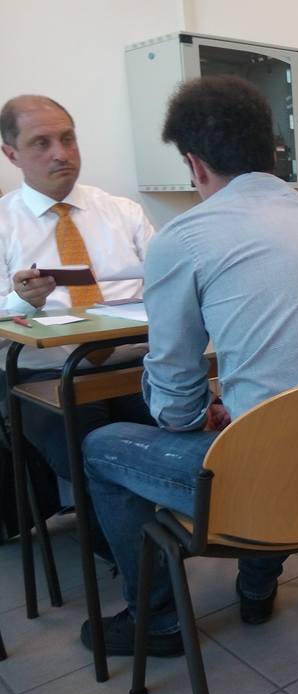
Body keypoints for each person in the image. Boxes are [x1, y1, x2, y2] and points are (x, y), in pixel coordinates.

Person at [81, 76, 298, 657]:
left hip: (275, 485)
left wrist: (206, 410)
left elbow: (175, 408)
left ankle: (158, 620)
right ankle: (255, 589)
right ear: (272, 151)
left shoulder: (184, 239)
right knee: (261, 427)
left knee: (101, 447)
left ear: (194, 164)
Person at [0, 95, 155, 546]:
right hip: (46, 374)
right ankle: (141, 559)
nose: (61, 153)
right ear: (11, 154)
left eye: (68, 139)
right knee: (90, 452)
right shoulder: (4, 224)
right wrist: (18, 300)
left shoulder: (123, 212)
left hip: (135, 362)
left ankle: (156, 543)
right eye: (42, 143)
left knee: (188, 426)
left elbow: (170, 281)